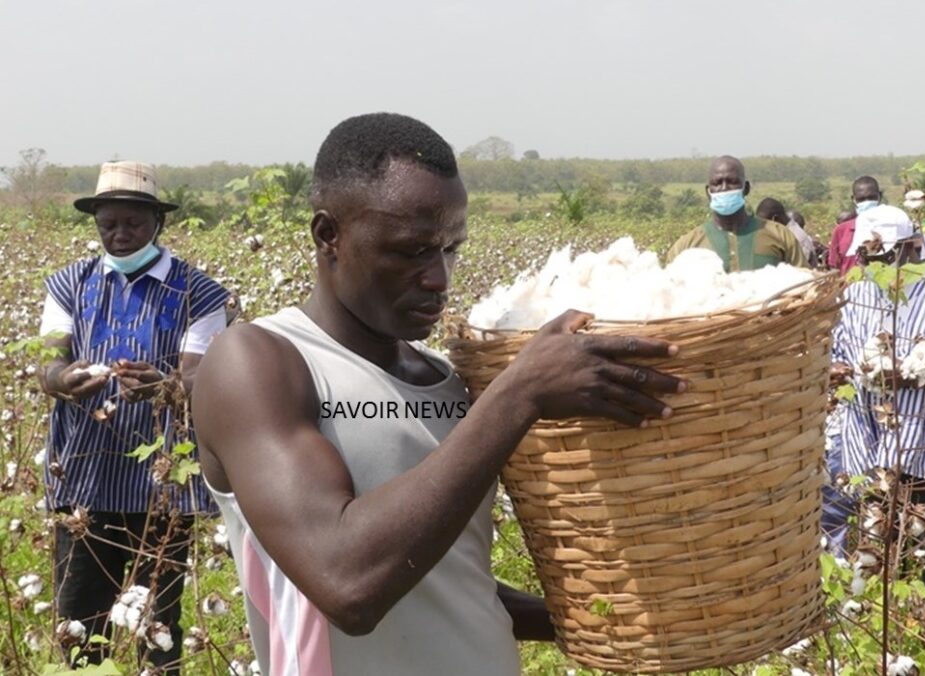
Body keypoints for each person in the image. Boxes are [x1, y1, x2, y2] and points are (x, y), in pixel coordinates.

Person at [192, 113, 685, 675]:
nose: (439, 279)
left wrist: (575, 616)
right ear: (329, 235)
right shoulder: (260, 361)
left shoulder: (445, 378)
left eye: (450, 249)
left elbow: (446, 580)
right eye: (410, 251)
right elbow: (346, 582)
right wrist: (518, 394)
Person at [37, 161, 230, 672]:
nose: (120, 235)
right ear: (96, 224)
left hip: (162, 483)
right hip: (84, 478)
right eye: (109, 225)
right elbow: (48, 363)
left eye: (133, 224)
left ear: (157, 223)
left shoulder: (199, 292)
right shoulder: (67, 285)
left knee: (158, 626)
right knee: (78, 620)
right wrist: (63, 379)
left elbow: (199, 375)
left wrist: (165, 386)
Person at [831, 206, 925, 591]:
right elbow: (839, 353)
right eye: (868, 254)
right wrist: (840, 371)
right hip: (872, 441)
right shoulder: (856, 293)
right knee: (877, 541)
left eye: (884, 253)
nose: (875, 261)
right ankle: (882, 616)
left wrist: (913, 376)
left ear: (910, 247)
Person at [666, 156, 808, 270]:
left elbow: (805, 286)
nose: (724, 188)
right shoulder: (686, 246)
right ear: (708, 192)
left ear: (745, 188)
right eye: (717, 183)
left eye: (732, 182)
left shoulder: (780, 236)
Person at [828, 176, 883, 275]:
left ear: (879, 196)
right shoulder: (841, 231)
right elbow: (834, 267)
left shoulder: (891, 227)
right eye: (861, 199)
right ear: (854, 199)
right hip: (848, 288)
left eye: (871, 197)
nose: (866, 202)